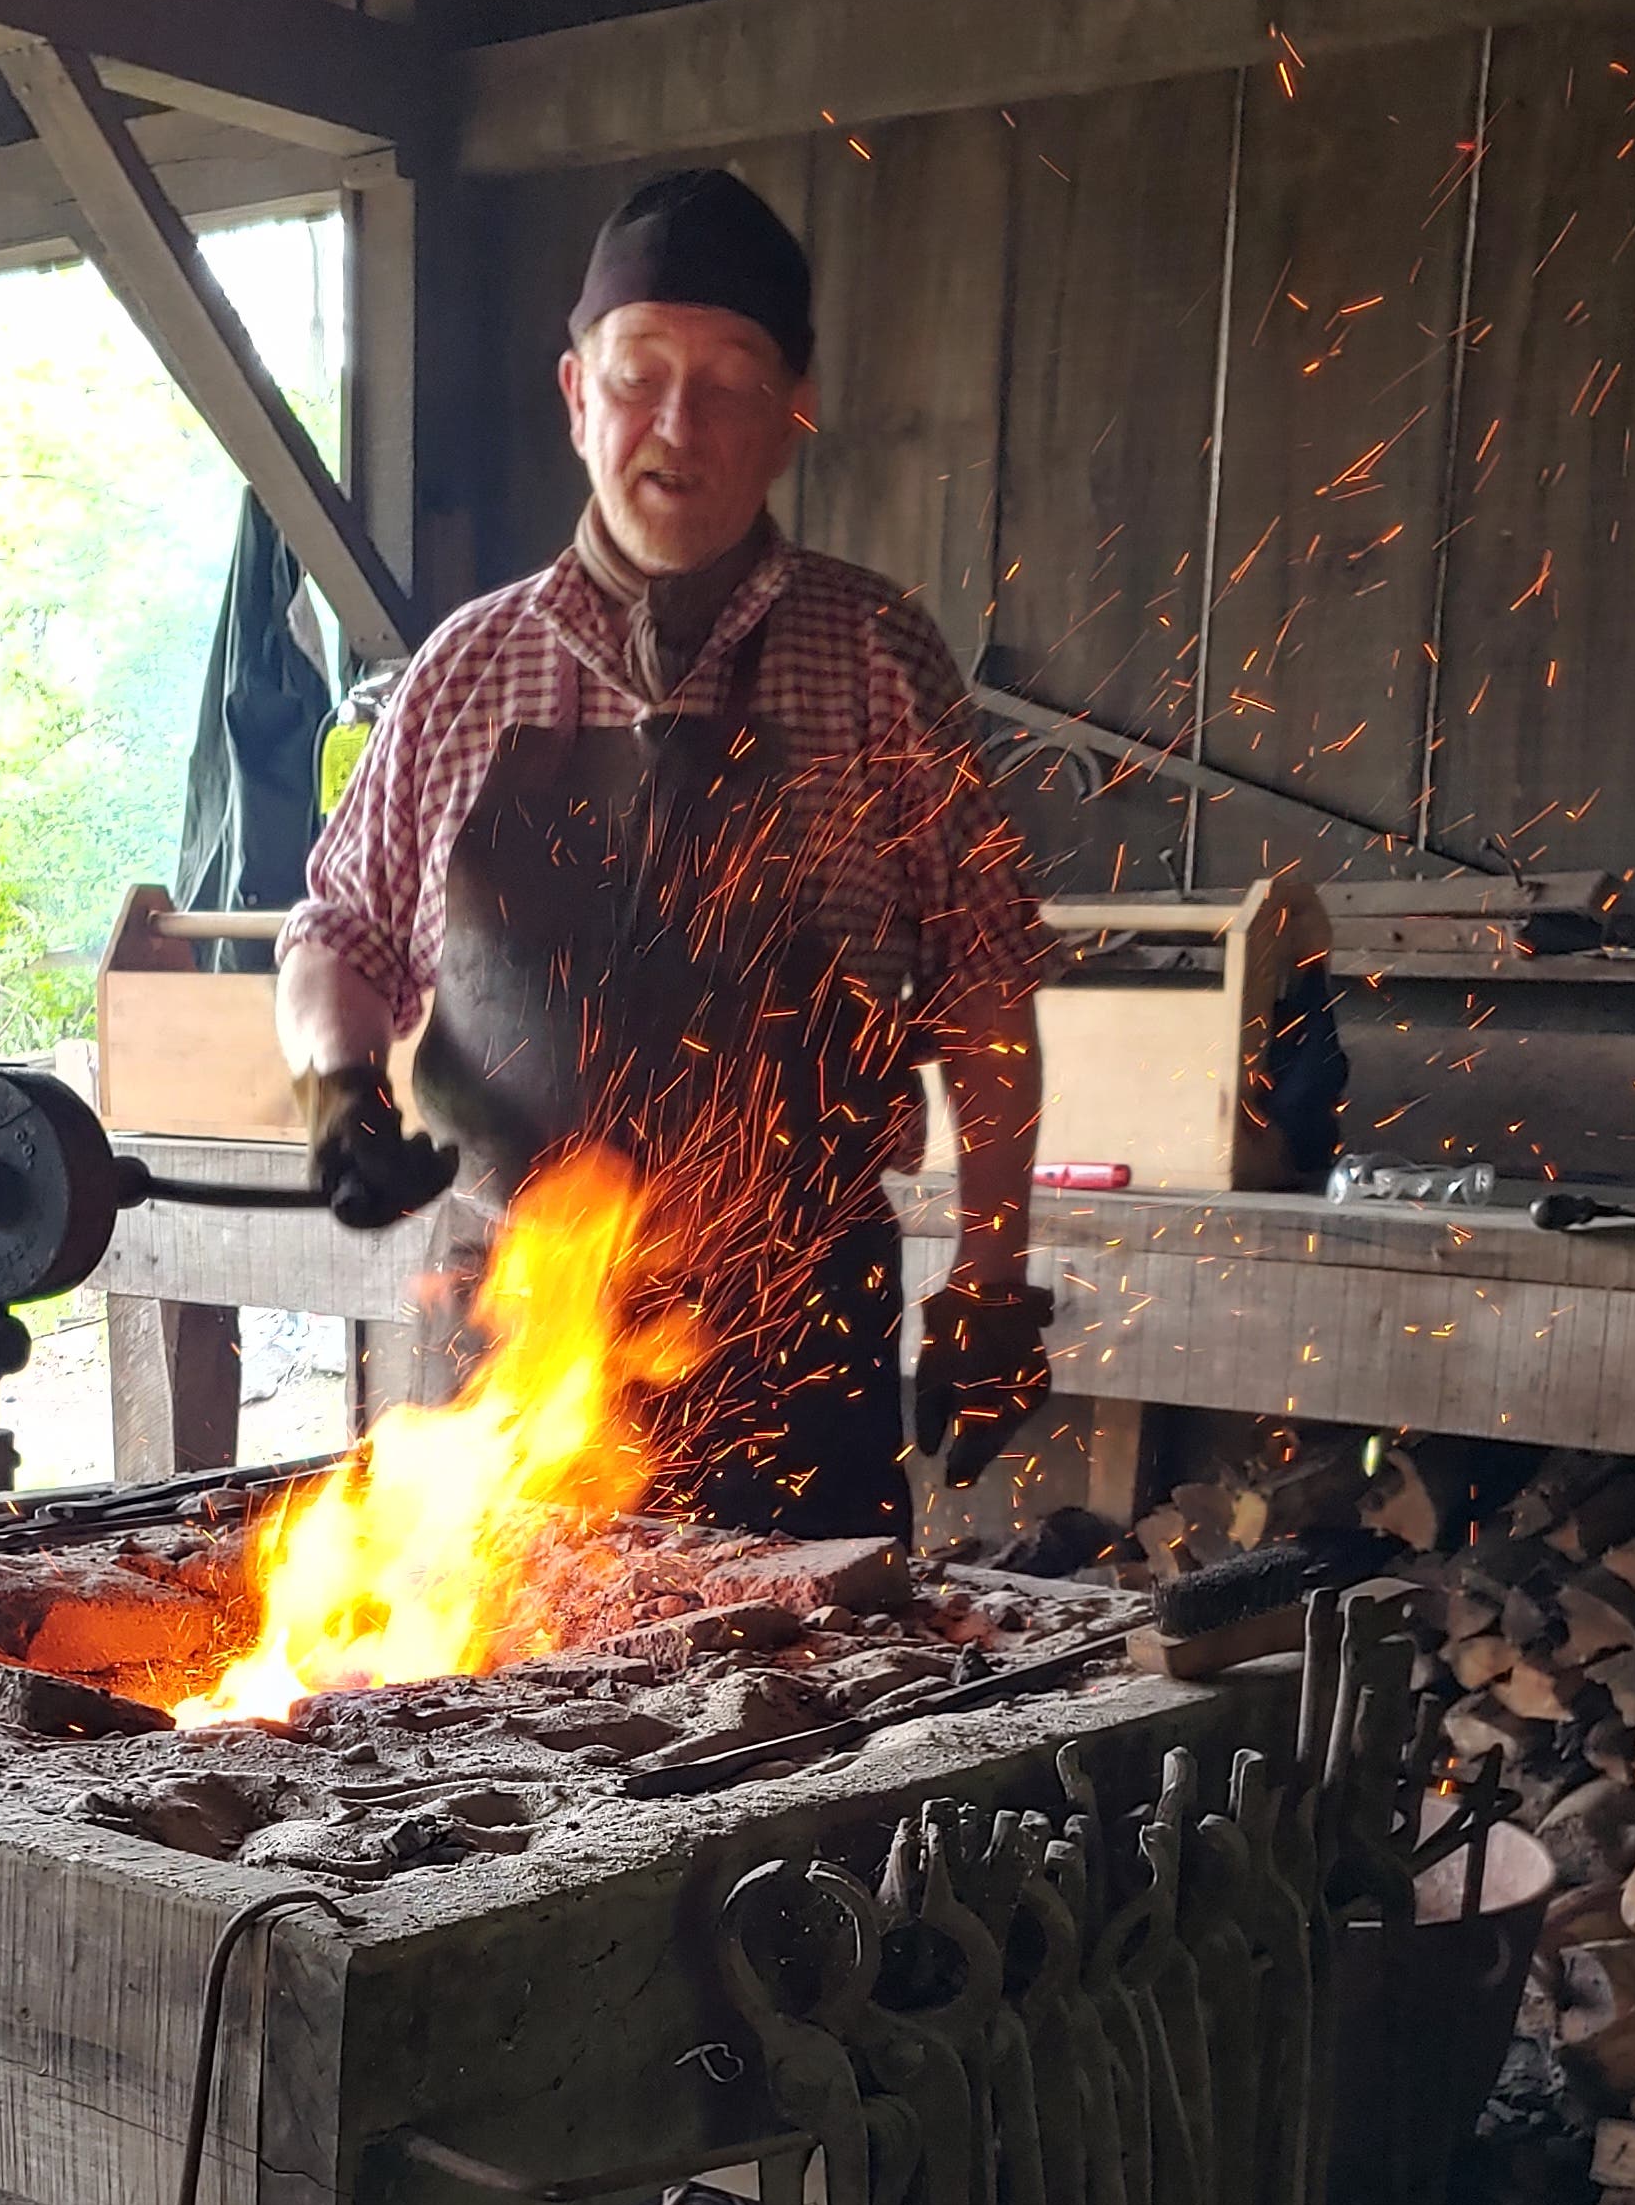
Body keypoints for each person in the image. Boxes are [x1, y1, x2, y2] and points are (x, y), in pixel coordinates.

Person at [276, 163, 1055, 1539]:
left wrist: (994, 1279)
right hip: (510, 1364)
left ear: (793, 411)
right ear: (577, 395)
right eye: (639, 376)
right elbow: (338, 931)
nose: (676, 425)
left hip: (799, 1357)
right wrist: (339, 1091)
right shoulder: (468, 669)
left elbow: (986, 987)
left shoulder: (878, 660)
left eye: (729, 381)